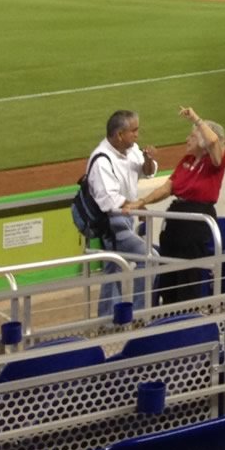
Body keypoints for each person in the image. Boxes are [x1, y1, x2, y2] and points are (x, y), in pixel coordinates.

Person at [128, 107, 225, 305]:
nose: (186, 140)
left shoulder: (215, 162)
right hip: (176, 219)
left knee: (187, 272)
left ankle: (185, 317)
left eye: (191, 136)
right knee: (168, 270)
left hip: (196, 220)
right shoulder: (186, 160)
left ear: (203, 141)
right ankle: (168, 312)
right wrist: (142, 202)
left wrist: (196, 119)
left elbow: (214, 141)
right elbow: (167, 188)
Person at [84, 110, 158, 316]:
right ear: (119, 135)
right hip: (111, 223)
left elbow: (148, 172)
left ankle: (109, 318)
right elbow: (109, 200)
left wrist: (148, 160)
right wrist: (139, 206)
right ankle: (140, 315)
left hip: (126, 218)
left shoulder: (132, 149)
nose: (137, 135)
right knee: (149, 257)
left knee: (113, 267)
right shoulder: (101, 160)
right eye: (133, 131)